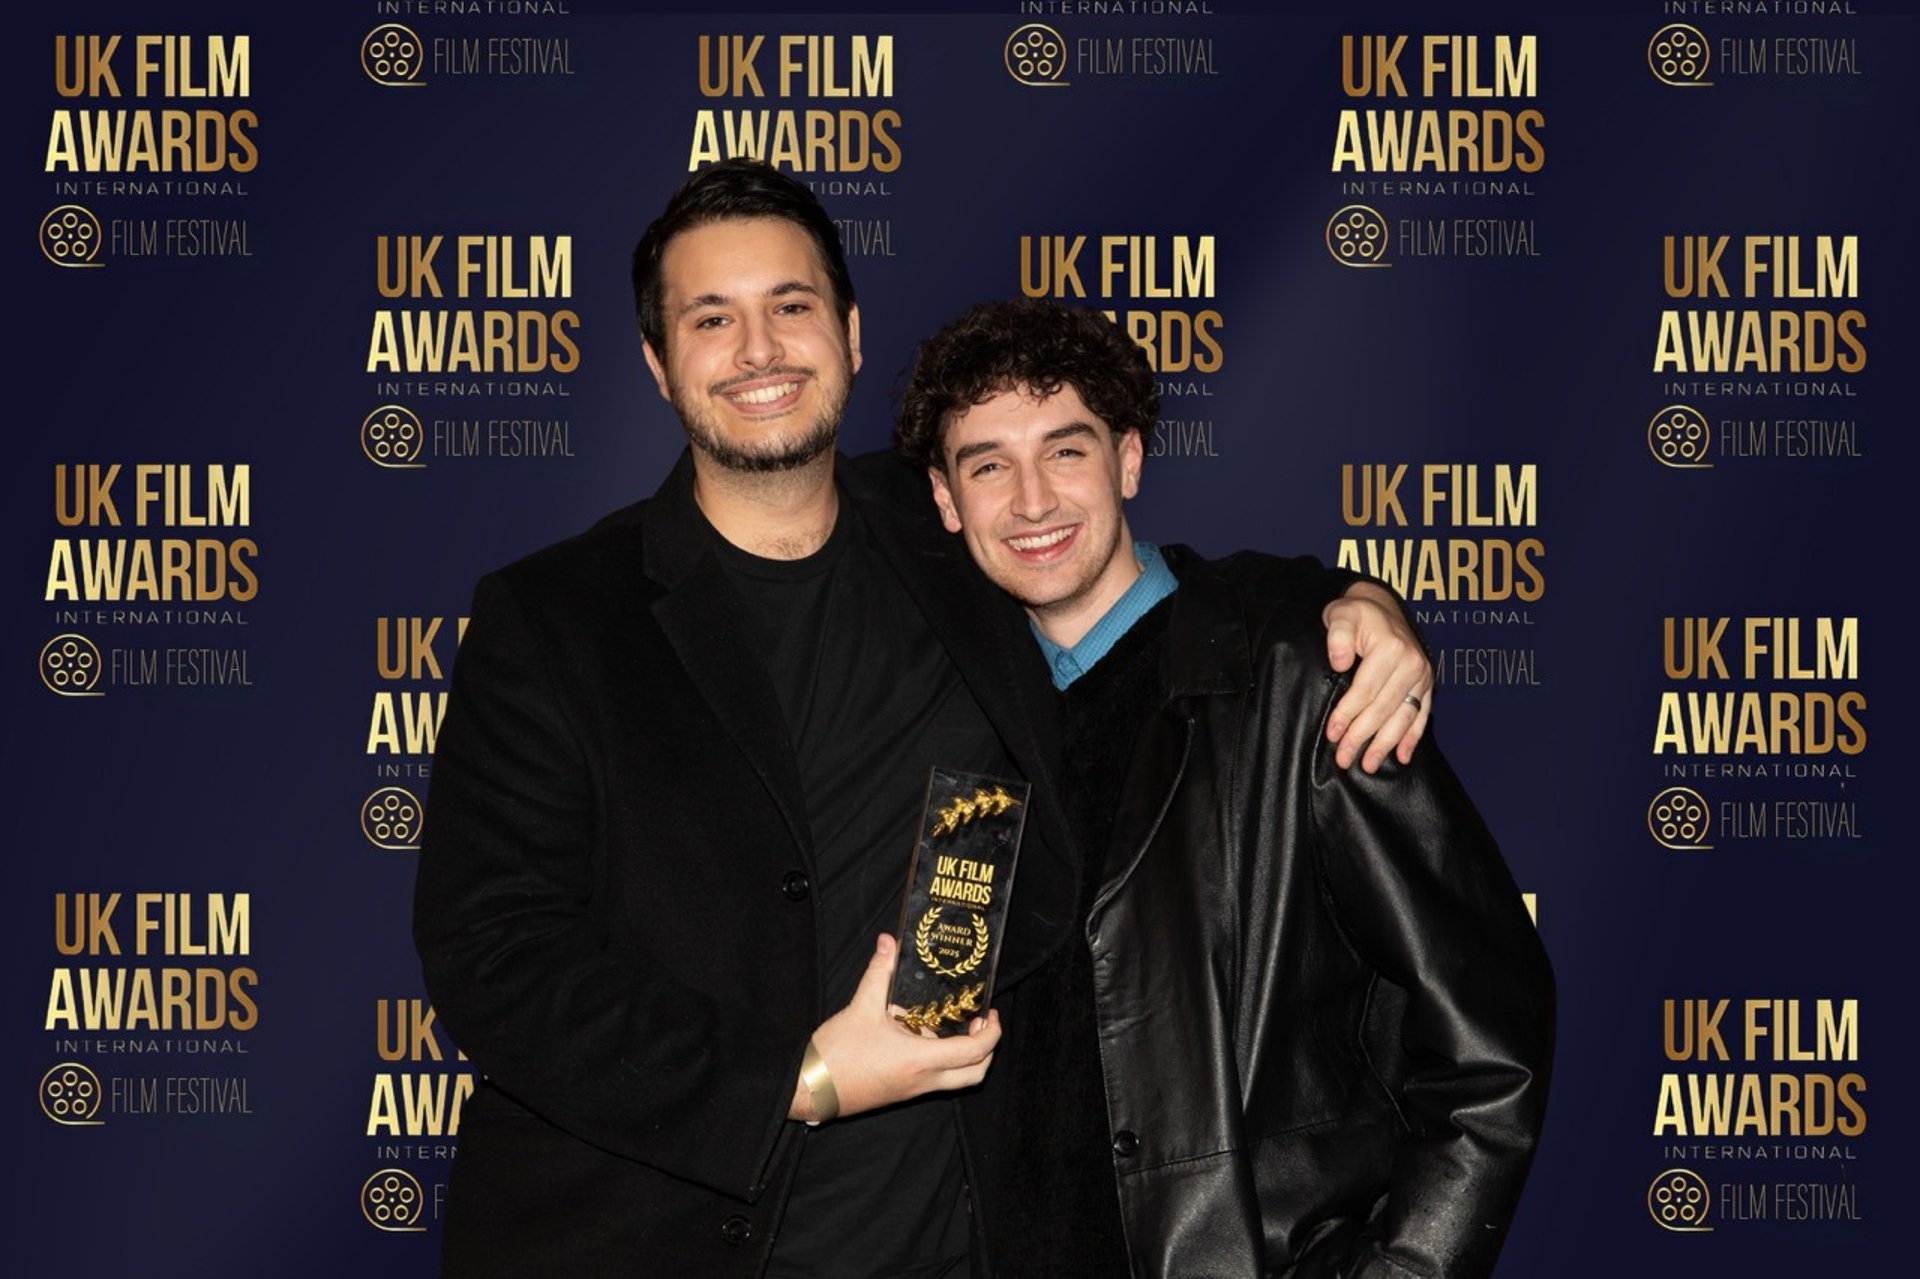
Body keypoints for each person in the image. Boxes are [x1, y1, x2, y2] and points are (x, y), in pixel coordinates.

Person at [413, 160, 1431, 1278]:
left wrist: (1346, 602)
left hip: (957, 1242)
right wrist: (801, 1080)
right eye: (712, 318)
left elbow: (1126, 578)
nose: (759, 349)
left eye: (790, 306)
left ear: (850, 333)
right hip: (653, 1242)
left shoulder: (946, 528)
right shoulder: (554, 618)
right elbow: (492, 955)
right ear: (659, 364)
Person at [894, 298, 1555, 1279]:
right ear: (947, 501)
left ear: (1127, 459)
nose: (1031, 502)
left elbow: (1489, 1036)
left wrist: (1404, 1269)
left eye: (1066, 451)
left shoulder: (1302, 682)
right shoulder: (951, 723)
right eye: (988, 465)